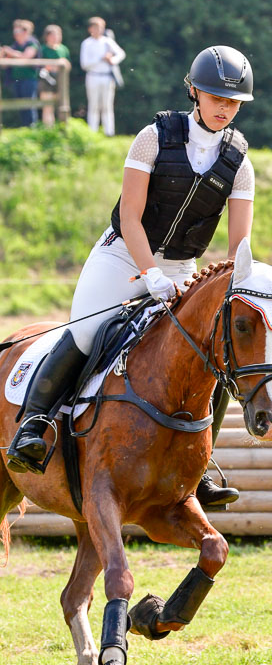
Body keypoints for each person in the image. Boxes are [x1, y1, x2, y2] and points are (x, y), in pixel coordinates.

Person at [7, 45, 255, 508]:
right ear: (195, 92)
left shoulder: (240, 163)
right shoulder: (152, 138)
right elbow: (133, 217)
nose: (225, 107)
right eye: (217, 97)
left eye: (234, 101)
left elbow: (239, 246)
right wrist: (149, 273)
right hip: (123, 255)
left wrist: (234, 285)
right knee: (85, 334)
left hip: (182, 268)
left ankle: (200, 467)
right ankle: (33, 427)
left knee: (212, 354)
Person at [79, 17, 125, 136]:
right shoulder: (86, 43)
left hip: (107, 77)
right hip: (93, 76)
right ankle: (92, 132)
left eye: (100, 28)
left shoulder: (107, 41)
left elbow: (121, 53)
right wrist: (100, 58)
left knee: (107, 105)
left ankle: (109, 132)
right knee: (93, 105)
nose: (98, 30)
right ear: (90, 29)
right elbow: (84, 64)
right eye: (96, 27)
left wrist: (112, 60)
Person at [0, 19, 40, 126]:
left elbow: (26, 57)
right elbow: (5, 65)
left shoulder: (32, 43)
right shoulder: (15, 46)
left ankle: (32, 127)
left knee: (29, 104)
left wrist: (10, 52)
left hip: (29, 79)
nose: (15, 35)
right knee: (20, 105)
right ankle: (25, 127)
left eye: (18, 32)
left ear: (26, 32)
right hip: (17, 79)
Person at [38, 24, 71, 126]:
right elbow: (40, 66)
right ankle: (48, 130)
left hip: (61, 81)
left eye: (57, 35)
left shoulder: (63, 49)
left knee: (62, 106)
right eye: (52, 35)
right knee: (48, 107)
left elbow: (68, 66)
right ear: (47, 36)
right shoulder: (42, 49)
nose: (55, 37)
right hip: (46, 81)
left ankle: (62, 129)